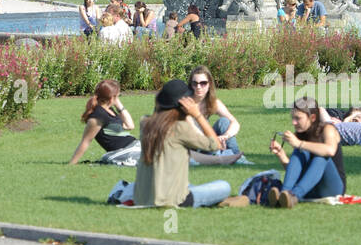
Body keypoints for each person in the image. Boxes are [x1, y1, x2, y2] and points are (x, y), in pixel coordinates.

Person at [132, 79, 229, 207]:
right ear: (184, 104)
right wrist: (197, 114)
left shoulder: (145, 123)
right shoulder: (179, 128)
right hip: (173, 199)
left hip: (142, 198)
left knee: (190, 185)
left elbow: (160, 112)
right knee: (224, 186)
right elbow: (215, 145)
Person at [266, 97, 345, 208]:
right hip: (310, 188)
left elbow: (330, 150)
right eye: (293, 118)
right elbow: (297, 171)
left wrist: (299, 144)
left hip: (333, 189)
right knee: (300, 153)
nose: (294, 122)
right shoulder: (301, 133)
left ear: (312, 117)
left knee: (321, 156)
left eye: (298, 118)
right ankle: (284, 194)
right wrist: (281, 155)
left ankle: (294, 195)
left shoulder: (328, 129)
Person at [69, 80, 137, 164]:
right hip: (124, 151)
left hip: (133, 146)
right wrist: (72, 163)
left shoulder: (109, 110)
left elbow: (130, 126)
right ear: (112, 97)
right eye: (117, 96)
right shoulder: (98, 115)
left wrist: (118, 104)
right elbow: (86, 141)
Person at [187, 66, 242, 156]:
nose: (198, 87)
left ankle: (237, 155)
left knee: (224, 121)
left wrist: (225, 137)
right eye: (195, 83)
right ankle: (224, 154)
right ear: (190, 85)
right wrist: (214, 141)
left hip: (207, 141)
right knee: (213, 148)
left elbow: (235, 123)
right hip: (191, 145)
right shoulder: (187, 102)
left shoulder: (212, 102)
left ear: (209, 84)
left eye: (203, 83)